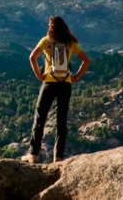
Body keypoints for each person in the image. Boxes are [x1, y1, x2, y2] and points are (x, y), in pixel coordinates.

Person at [22, 15, 91, 163]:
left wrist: (39, 75)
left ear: (52, 28)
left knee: (40, 117)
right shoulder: (71, 43)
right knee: (62, 121)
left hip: (49, 83)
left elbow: (32, 57)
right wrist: (76, 76)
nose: (47, 28)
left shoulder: (46, 41)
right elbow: (86, 60)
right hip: (66, 84)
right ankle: (58, 157)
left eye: (49, 25)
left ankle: (33, 155)